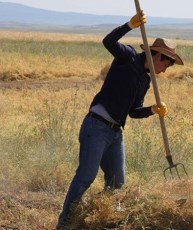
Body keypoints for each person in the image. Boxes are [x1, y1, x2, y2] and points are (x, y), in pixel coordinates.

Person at [56, 10, 184, 229]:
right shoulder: (128, 56)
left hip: (115, 133)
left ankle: (102, 220)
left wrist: (153, 109)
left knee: (117, 184)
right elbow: (108, 41)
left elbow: (133, 111)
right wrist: (129, 25)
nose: (165, 70)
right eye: (166, 64)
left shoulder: (145, 81)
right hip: (96, 125)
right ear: (157, 56)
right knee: (86, 176)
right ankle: (65, 222)